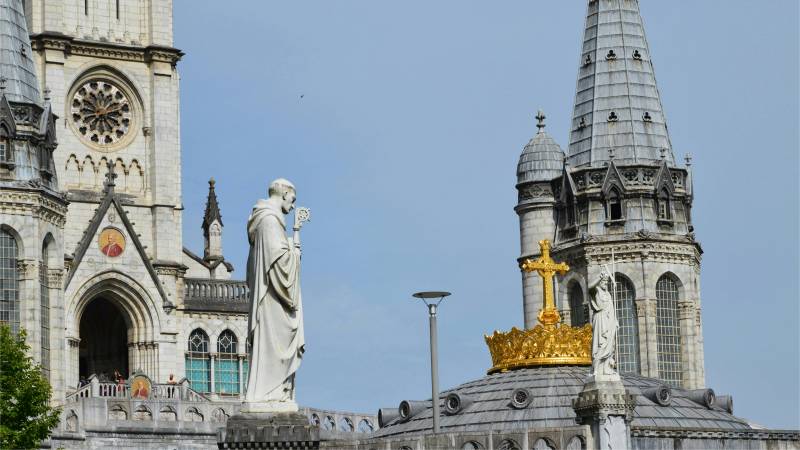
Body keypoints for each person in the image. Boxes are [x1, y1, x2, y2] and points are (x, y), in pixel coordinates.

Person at [243, 179, 305, 411]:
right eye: (293, 198)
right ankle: (269, 393)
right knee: (277, 341)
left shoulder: (265, 220)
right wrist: (295, 249)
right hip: (273, 300)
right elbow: (280, 266)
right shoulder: (269, 220)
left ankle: (275, 392)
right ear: (285, 192)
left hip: (270, 296)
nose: (293, 204)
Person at [588, 269, 619, 379]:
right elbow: (589, 287)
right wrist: (598, 277)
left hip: (609, 320)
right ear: (600, 282)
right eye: (604, 282)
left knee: (610, 346)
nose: (606, 284)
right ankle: (595, 370)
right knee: (601, 344)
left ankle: (607, 368)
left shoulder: (608, 294)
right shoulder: (595, 291)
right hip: (600, 319)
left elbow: (611, 308)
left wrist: (615, 321)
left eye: (607, 282)